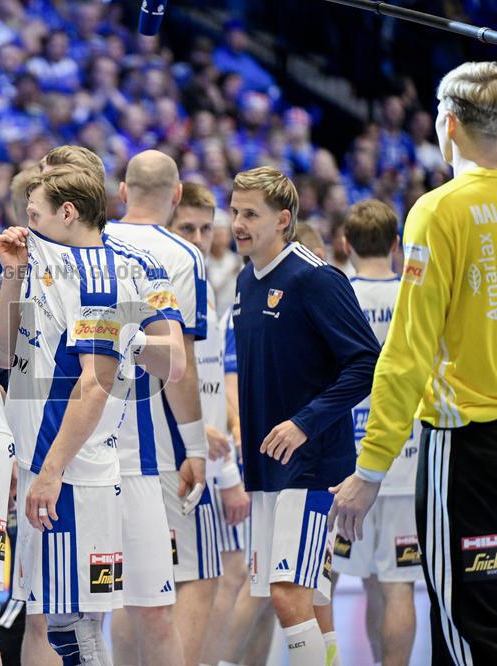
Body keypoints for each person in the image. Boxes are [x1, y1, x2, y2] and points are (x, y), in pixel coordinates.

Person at [330, 61, 497, 664]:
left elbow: (407, 354)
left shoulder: (439, 210)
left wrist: (370, 469)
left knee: (466, 626)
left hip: (468, 446)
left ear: (446, 125)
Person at [0, 165, 186, 666]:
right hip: (49, 456)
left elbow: (169, 364)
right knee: (58, 618)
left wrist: (127, 337)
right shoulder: (36, 258)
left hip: (98, 458)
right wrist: (12, 275)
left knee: (87, 622)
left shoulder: (124, 267)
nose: (28, 224)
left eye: (34, 213)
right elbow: (1, 356)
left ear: (68, 210)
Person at [229, 166, 379, 666]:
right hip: (268, 467)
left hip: (312, 464)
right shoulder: (247, 281)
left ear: (284, 219)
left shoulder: (315, 278)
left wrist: (304, 422)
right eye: (234, 211)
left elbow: (365, 362)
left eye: (251, 214)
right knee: (310, 598)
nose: (237, 223)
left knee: (288, 595)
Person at [106, 150, 216, 666]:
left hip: (90, 431)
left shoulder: (91, 240)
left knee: (121, 582)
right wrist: (195, 446)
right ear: (176, 196)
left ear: (123, 192)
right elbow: (180, 364)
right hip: (156, 439)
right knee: (176, 581)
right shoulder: (182, 254)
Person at [328, 199, 420, 666]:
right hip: (406, 458)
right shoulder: (413, 294)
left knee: (353, 581)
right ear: (397, 245)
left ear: (344, 245)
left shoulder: (338, 296)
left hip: (349, 464)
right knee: (399, 583)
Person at [167, 182, 252, 666]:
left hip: (200, 457)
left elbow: (216, 388)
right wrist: (229, 477)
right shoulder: (172, 286)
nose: (198, 238)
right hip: (182, 460)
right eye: (187, 228)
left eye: (205, 228)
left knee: (196, 581)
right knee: (198, 580)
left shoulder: (205, 293)